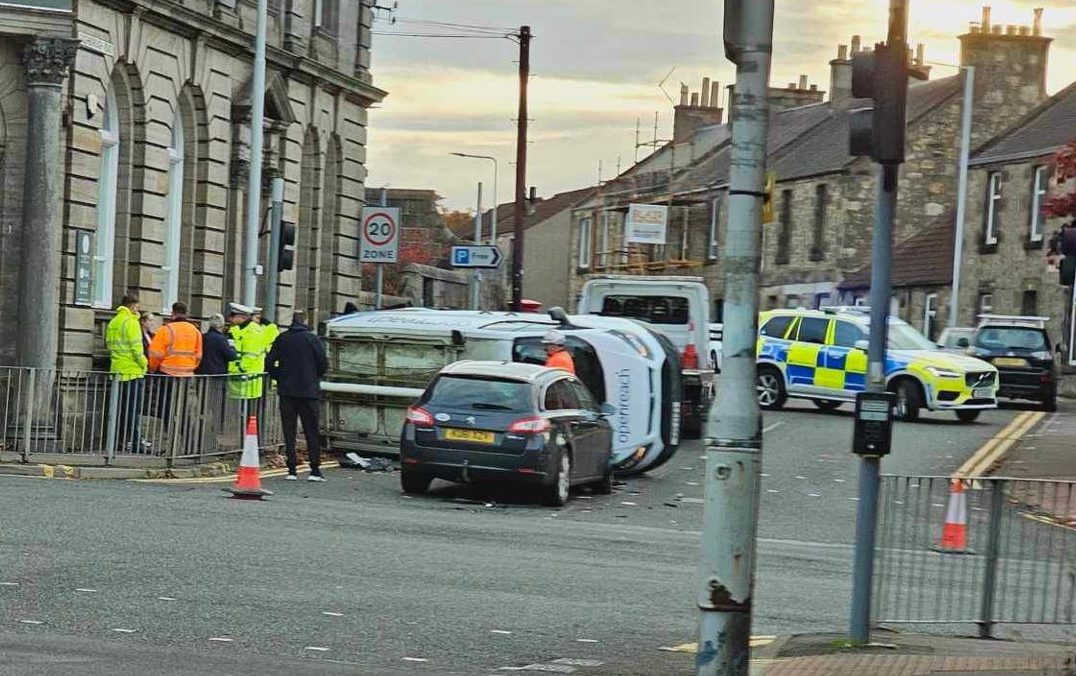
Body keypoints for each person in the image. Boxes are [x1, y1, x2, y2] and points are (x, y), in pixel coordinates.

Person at [266, 310, 328, 482]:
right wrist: (314, 377)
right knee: (311, 430)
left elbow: (269, 363)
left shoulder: (282, 339)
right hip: (309, 392)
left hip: (287, 391)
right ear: (305, 321)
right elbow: (323, 364)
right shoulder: (312, 339)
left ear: (292, 321)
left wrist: (280, 376)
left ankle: (291, 469)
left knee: (289, 430)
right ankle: (314, 470)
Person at [148, 302, 204, 456]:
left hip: (167, 375)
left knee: (167, 412)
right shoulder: (196, 331)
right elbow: (199, 356)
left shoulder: (166, 330)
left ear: (173, 314)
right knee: (185, 412)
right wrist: (190, 367)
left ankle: (170, 447)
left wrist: (152, 370)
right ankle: (190, 446)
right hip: (187, 377)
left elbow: (155, 355)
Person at [106, 292, 148, 453]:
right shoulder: (131, 323)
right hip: (132, 372)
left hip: (117, 371)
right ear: (132, 306)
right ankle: (136, 443)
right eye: (137, 307)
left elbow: (110, 346)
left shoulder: (113, 322)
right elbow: (137, 349)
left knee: (118, 410)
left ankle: (116, 442)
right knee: (133, 412)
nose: (138, 310)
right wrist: (144, 364)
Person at [197, 313, 237, 452]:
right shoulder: (221, 339)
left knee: (203, 407)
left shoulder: (203, 337)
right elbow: (231, 356)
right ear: (221, 325)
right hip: (218, 379)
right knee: (217, 409)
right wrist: (233, 347)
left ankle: (202, 435)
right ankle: (214, 436)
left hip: (202, 378)